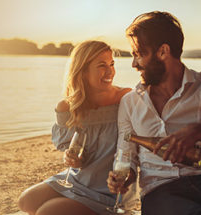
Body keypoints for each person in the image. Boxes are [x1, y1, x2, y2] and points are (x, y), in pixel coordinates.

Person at [107, 11, 201, 215]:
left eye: (138, 54)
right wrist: (125, 176)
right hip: (160, 191)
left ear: (163, 51)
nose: (134, 64)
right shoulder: (129, 102)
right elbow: (127, 157)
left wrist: (200, 131)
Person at [18, 40, 135, 215]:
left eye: (112, 64)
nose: (110, 71)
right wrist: (71, 158)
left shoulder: (126, 99)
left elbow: (134, 148)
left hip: (109, 190)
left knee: (47, 212)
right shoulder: (67, 107)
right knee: (26, 201)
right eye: (102, 65)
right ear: (83, 70)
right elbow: (69, 148)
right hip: (78, 179)